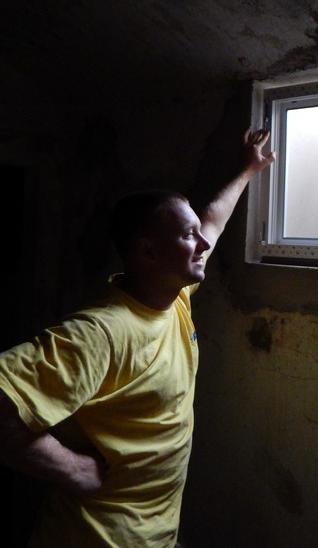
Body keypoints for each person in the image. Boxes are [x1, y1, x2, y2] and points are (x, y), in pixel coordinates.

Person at [0, 128, 274, 547]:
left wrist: (247, 170)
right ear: (148, 253)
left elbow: (213, 220)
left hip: (153, 535)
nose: (203, 242)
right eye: (188, 235)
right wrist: (72, 468)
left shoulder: (176, 296)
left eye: (197, 232)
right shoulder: (100, 332)